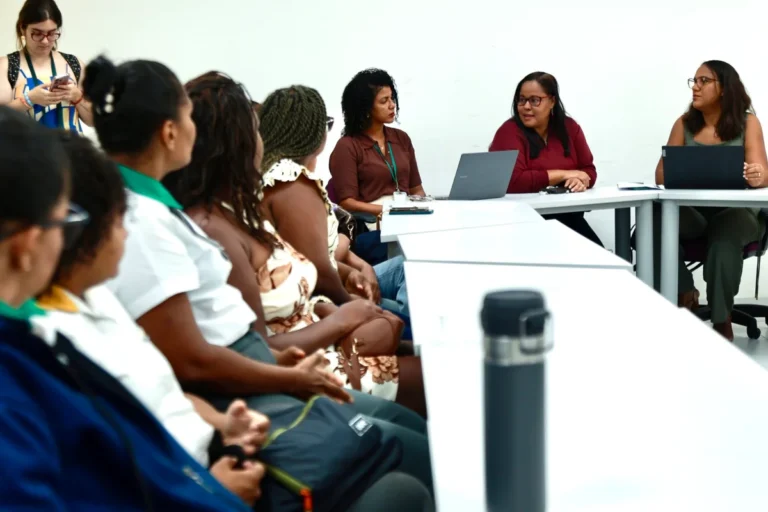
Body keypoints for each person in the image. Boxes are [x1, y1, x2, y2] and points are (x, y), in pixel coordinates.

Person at [81, 56, 433, 493]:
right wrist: (289, 370)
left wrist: (316, 324)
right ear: (170, 132)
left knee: (408, 431)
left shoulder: (168, 212)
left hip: (261, 368)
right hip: (248, 385)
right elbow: (190, 359)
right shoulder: (148, 222)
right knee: (410, 461)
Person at [0, 106, 260, 510]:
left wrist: (223, 430)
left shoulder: (47, 328)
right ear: (27, 244)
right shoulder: (25, 368)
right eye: (63, 220)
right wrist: (210, 492)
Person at [164, 72, 426, 416]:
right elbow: (257, 348)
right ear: (240, 144)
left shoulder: (233, 210)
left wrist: (333, 300)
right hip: (303, 371)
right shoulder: (219, 225)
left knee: (421, 343)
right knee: (440, 374)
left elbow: (305, 272)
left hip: (315, 342)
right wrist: (343, 316)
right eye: (256, 129)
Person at [259, 84, 413, 326]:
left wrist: (355, 267)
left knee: (410, 268)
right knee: (413, 324)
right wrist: (357, 305)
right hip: (323, 299)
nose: (391, 105)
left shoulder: (277, 176)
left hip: (331, 283)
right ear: (312, 133)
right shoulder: (292, 183)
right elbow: (318, 268)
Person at [653, 60, 768, 341]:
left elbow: (762, 174)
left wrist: (756, 175)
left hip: (736, 212)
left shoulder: (746, 122)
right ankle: (684, 291)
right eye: (694, 80)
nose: (696, 87)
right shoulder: (684, 123)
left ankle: (721, 318)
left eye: (704, 81)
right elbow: (660, 174)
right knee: (655, 221)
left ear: (725, 89)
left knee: (723, 240)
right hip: (694, 212)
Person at [489, 71, 603, 246]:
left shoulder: (570, 128)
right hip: (522, 223)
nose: (526, 106)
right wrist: (565, 174)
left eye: (534, 100)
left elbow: (588, 170)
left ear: (552, 101)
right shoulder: (509, 132)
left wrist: (580, 181)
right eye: (521, 100)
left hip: (567, 217)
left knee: (600, 258)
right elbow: (512, 181)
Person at [329, 69, 426, 218]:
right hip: (372, 221)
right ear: (366, 108)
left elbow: (416, 190)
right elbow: (347, 203)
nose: (392, 105)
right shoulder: (347, 146)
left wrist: (421, 208)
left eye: (392, 98)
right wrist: (389, 210)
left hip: (407, 216)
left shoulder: (402, 138)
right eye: (384, 101)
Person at [0, 0, 92, 130]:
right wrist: (29, 100)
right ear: (22, 28)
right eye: (37, 33)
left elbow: (94, 121)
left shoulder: (74, 64)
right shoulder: (6, 66)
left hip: (71, 149)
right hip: (25, 150)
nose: (45, 41)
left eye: (51, 34)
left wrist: (77, 97)